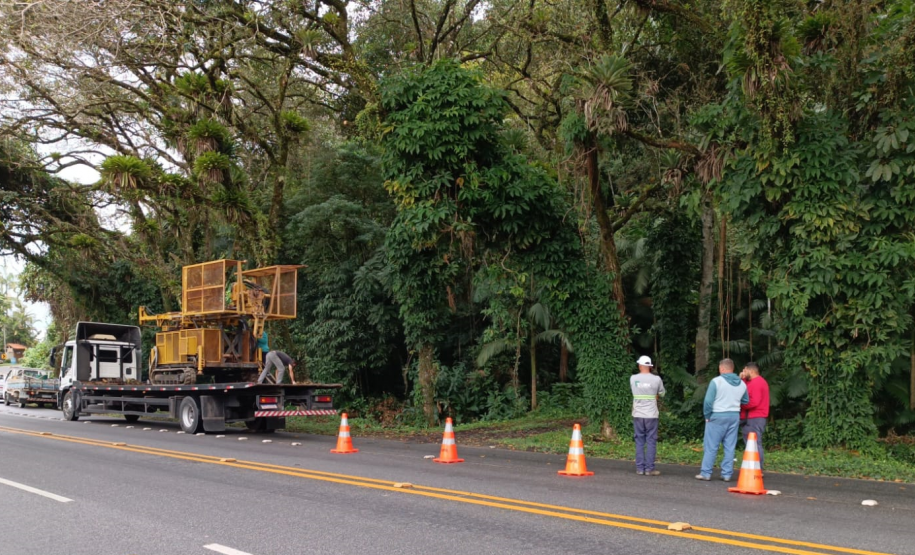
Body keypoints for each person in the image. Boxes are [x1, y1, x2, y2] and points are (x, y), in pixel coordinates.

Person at [696, 358, 748, 482]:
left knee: (711, 446)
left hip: (717, 415)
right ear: (732, 368)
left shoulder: (716, 381)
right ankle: (727, 474)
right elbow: (746, 400)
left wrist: (707, 416)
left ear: (722, 368)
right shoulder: (742, 383)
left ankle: (706, 473)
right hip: (734, 416)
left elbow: (708, 402)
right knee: (730, 446)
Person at [630, 355, 666, 476]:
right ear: (650, 367)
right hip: (651, 415)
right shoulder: (656, 379)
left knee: (639, 441)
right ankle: (649, 469)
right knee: (651, 441)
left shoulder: (633, 378)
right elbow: (662, 393)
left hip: (638, 414)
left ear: (640, 366)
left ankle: (640, 468)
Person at [740, 361, 770, 471]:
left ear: (751, 371)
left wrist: (740, 404)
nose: (743, 372)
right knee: (750, 444)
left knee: (755, 444)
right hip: (750, 417)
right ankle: (753, 467)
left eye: (745, 370)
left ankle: (758, 468)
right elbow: (743, 389)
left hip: (755, 417)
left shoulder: (758, 383)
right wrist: (742, 379)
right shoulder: (751, 382)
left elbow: (754, 402)